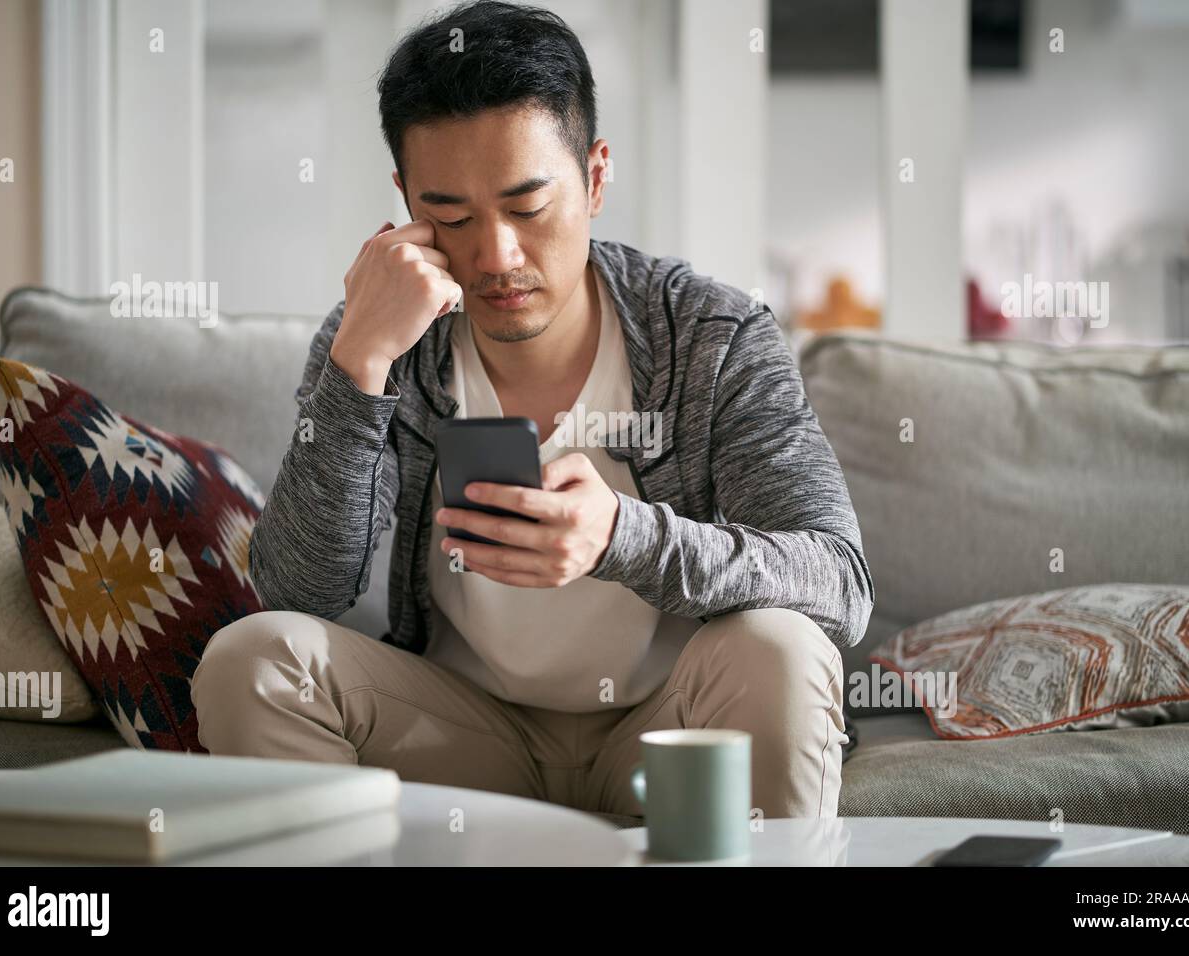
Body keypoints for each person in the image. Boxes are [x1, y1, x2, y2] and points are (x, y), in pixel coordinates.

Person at [191, 0, 873, 820]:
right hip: (466, 733)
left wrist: (623, 536)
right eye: (450, 216)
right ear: (406, 202)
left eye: (526, 207)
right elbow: (297, 590)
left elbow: (837, 582)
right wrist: (360, 364)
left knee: (780, 645)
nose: (495, 257)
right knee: (251, 658)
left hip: (671, 735)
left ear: (593, 178)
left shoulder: (712, 334)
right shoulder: (380, 336)